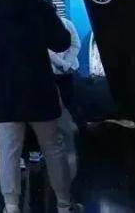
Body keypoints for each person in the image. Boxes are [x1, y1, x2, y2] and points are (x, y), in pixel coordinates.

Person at [0, 0, 76, 213]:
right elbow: (62, 42)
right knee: (53, 148)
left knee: (8, 152)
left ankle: (11, 205)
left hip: (4, 90)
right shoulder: (40, 6)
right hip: (39, 88)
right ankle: (64, 203)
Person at [50, 16, 81, 179]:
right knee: (53, 105)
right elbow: (45, 50)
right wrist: (62, 64)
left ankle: (80, 132)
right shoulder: (40, 24)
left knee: (72, 103)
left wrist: (66, 63)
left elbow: (75, 44)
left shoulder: (67, 23)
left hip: (67, 71)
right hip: (52, 71)